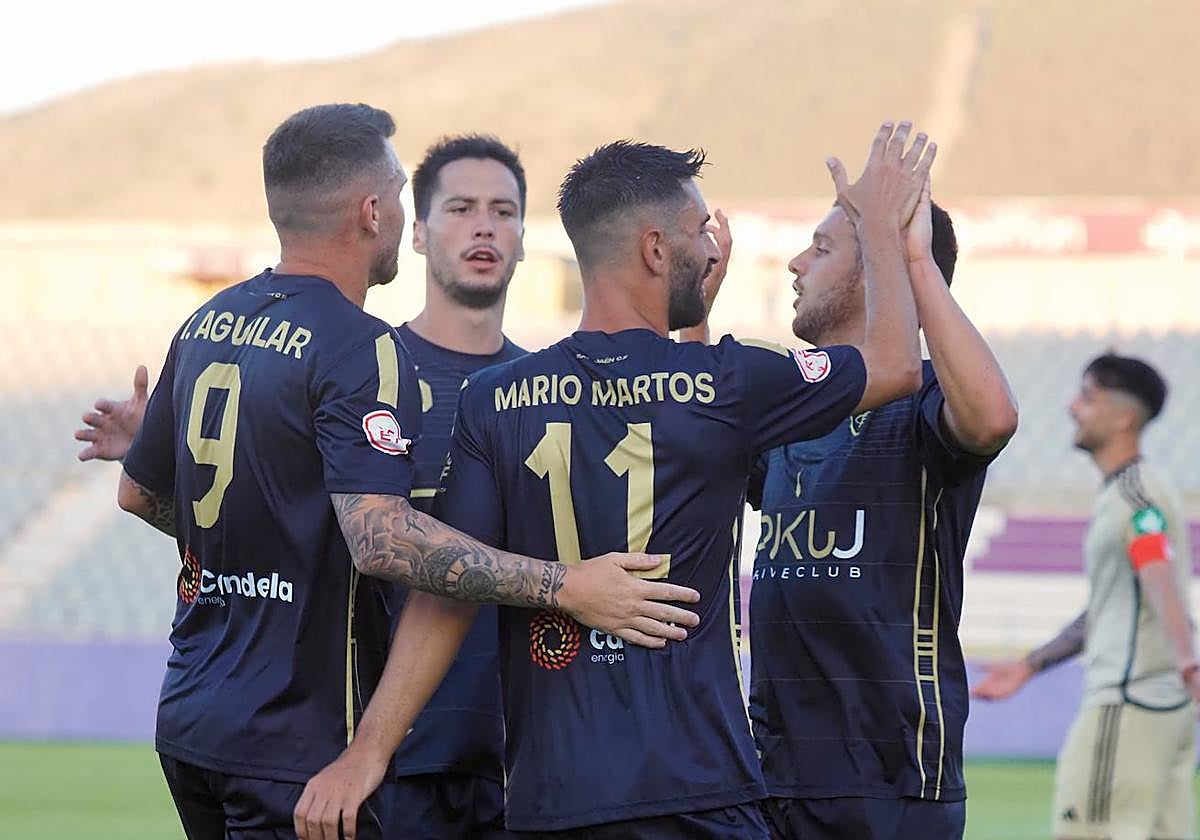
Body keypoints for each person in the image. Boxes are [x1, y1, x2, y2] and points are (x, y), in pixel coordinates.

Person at [294, 121, 937, 839]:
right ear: (656, 250)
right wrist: (880, 224)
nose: (711, 249)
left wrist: (368, 751)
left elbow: (449, 589)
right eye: (698, 232)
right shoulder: (726, 383)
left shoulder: (496, 398)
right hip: (698, 795)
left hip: (552, 801)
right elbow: (897, 365)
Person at [106, 103, 701, 840]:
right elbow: (382, 543)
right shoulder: (362, 347)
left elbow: (141, 492)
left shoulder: (205, 324)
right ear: (374, 211)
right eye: (399, 190)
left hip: (194, 716)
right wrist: (564, 585)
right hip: (299, 740)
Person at [683, 179, 1018, 838]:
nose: (795, 264)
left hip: (890, 785)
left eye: (820, 247)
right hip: (772, 772)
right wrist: (695, 317)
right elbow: (701, 449)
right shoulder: (798, 404)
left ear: (878, 269)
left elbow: (994, 418)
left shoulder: (925, 400)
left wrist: (913, 260)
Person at [972, 354, 1196, 840]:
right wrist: (1031, 665)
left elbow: (1157, 571)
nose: (1073, 407)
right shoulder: (1134, 492)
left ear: (1123, 417)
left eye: (1088, 397)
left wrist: (1189, 661)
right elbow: (1112, 606)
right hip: (1161, 708)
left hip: (1128, 701)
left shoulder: (1135, 495)